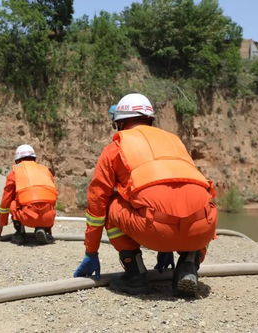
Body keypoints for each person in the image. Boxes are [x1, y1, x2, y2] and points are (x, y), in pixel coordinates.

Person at [73, 93, 218, 296]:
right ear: (150, 120)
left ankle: (135, 274)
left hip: (156, 230)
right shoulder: (175, 141)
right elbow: (176, 190)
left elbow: (97, 202)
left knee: (112, 202)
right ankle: (188, 264)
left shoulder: (116, 148)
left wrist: (91, 251)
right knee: (200, 205)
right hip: (201, 229)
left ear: (120, 123)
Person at [0, 144, 58, 245]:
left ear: (17, 160)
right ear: (34, 158)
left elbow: (5, 202)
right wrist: (48, 225)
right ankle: (41, 229)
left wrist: (1, 225)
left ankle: (20, 233)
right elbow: (52, 197)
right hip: (48, 217)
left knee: (13, 203)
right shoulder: (45, 170)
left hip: (28, 217)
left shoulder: (15, 172)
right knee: (44, 200)